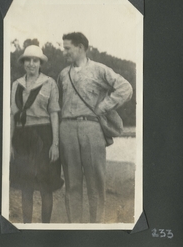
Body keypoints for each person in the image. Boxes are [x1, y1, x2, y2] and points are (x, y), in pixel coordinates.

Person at [57, 32, 133, 223]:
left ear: (80, 47)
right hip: (66, 130)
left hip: (92, 129)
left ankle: (95, 229)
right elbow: (57, 106)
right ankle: (74, 229)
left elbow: (126, 88)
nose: (64, 52)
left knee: (95, 183)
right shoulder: (62, 75)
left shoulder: (99, 70)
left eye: (67, 48)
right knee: (72, 184)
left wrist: (104, 106)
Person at [10, 45, 63, 223]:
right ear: (23, 62)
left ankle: (45, 229)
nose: (31, 64)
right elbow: (13, 116)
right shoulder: (16, 84)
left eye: (35, 60)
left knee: (45, 187)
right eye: (28, 60)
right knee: (26, 187)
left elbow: (54, 114)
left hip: (44, 136)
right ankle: (26, 227)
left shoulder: (49, 83)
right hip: (22, 137)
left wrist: (55, 144)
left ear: (40, 63)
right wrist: (9, 143)